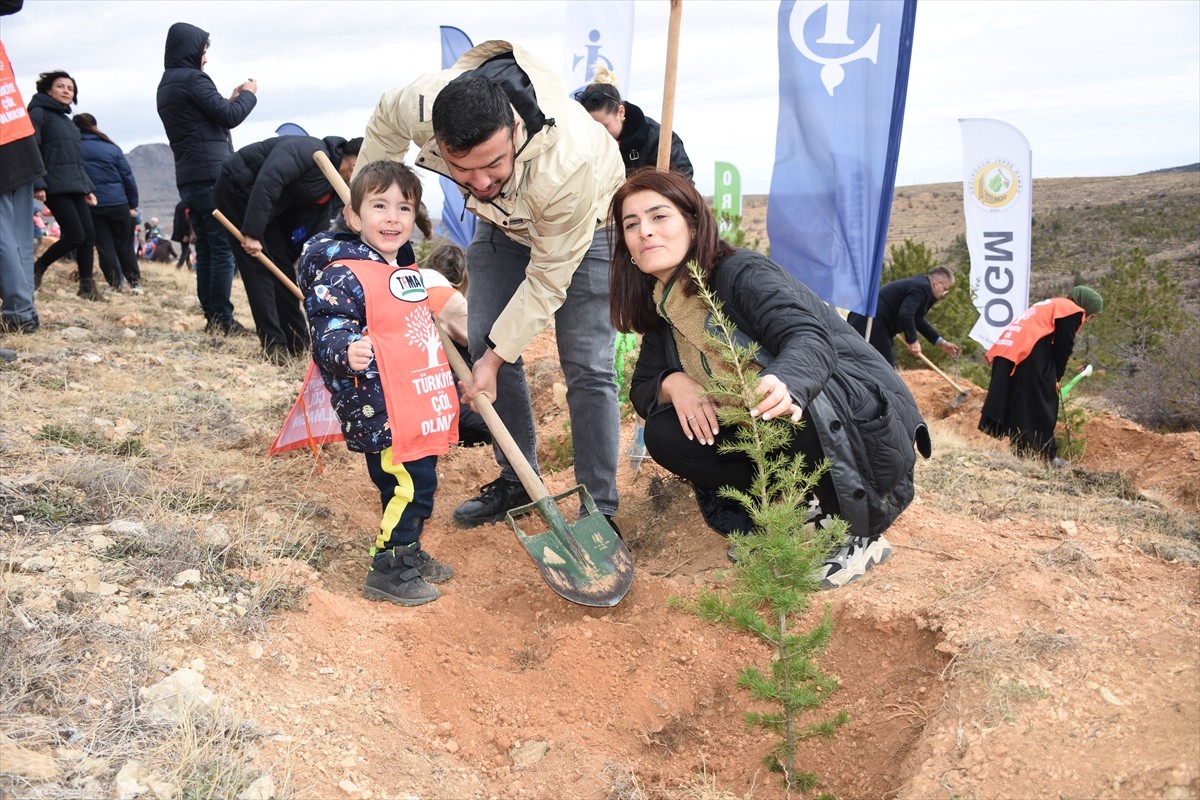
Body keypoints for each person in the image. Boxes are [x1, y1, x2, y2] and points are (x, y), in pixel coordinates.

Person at [611, 170, 931, 588]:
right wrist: (673, 382)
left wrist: (785, 380)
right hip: (778, 428)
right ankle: (783, 509)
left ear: (692, 223)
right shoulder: (665, 305)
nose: (644, 232)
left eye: (658, 217)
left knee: (787, 405)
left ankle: (860, 536)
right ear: (628, 249)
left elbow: (810, 337)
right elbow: (641, 388)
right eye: (631, 225)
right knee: (665, 432)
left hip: (860, 420)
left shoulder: (739, 273)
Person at [357, 40, 625, 530]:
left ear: (516, 130)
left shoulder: (568, 167)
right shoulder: (423, 104)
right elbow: (384, 122)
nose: (479, 182)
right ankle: (517, 480)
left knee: (586, 365)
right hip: (503, 225)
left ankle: (599, 507)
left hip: (587, 230)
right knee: (483, 335)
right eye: (463, 168)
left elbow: (547, 279)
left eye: (494, 164)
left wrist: (497, 358)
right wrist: (370, 203)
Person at [297, 161, 459, 607]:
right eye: (379, 206)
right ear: (353, 217)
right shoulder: (343, 273)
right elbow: (328, 325)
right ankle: (388, 569)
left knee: (412, 482)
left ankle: (407, 549)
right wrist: (345, 348)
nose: (392, 218)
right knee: (408, 484)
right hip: (378, 403)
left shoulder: (399, 269)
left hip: (411, 399)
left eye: (403, 208)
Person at [214, 134, 361, 361]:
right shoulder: (307, 150)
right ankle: (274, 346)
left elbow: (311, 223)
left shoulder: (333, 191)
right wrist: (252, 232)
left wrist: (296, 256)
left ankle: (297, 343)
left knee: (282, 271)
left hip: (270, 211)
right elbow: (269, 179)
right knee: (259, 268)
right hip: (239, 190)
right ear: (354, 165)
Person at [156, 21, 257, 336]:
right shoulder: (193, 79)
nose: (206, 59)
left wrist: (228, 98)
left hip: (189, 177)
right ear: (192, 49)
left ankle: (214, 317)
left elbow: (209, 118)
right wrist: (249, 96)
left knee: (209, 249)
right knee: (221, 247)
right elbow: (229, 117)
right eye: (203, 51)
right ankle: (222, 321)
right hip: (213, 176)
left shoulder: (169, 83)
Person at [979, 286, 1103, 465]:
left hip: (1009, 351)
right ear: (1086, 306)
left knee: (1022, 403)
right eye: (1092, 316)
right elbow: (1063, 348)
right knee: (1041, 401)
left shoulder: (1053, 304)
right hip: (1026, 353)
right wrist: (1055, 377)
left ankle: (1023, 452)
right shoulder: (1072, 310)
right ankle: (1046, 456)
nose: (1089, 320)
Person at [27, 70, 101, 300]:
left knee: (89, 236)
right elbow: (32, 147)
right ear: (48, 89)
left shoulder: (67, 121)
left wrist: (87, 187)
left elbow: (75, 158)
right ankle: (38, 267)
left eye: (70, 88)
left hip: (74, 185)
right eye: (61, 86)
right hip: (54, 185)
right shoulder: (38, 113)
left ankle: (87, 287)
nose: (67, 91)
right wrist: (38, 182)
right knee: (75, 236)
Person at [0, 26, 46, 335]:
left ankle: (20, 310)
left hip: (12, 140)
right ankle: (22, 308)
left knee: (7, 234)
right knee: (13, 235)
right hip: (16, 137)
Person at [422, 242, 491, 447]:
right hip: (439, 390)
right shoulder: (448, 298)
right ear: (462, 276)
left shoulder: (409, 284)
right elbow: (478, 341)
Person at [574, 65, 693, 180]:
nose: (599, 134)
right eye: (593, 128)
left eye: (604, 126)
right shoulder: (582, 145)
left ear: (620, 112)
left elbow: (684, 180)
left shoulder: (659, 140)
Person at [74, 113, 142, 294]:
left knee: (105, 247)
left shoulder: (74, 148)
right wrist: (132, 203)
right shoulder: (111, 148)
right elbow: (127, 177)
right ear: (95, 125)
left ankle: (115, 284)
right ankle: (134, 282)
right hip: (119, 203)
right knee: (124, 245)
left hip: (93, 205)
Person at [847, 268, 961, 366]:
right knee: (884, 369)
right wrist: (913, 341)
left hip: (866, 318)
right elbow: (906, 313)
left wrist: (942, 343)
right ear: (937, 283)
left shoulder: (920, 284)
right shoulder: (923, 288)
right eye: (945, 290)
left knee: (869, 364)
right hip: (871, 321)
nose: (943, 294)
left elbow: (917, 319)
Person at [171, 199, 195, 270]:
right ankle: (179, 267)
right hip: (184, 233)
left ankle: (189, 267)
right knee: (185, 250)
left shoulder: (179, 205)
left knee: (187, 249)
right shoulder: (186, 206)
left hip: (179, 231)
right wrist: (187, 234)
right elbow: (186, 221)